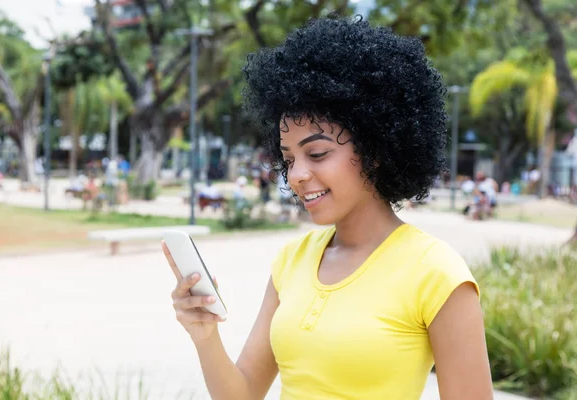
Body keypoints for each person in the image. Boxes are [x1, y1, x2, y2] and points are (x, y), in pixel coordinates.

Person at [163, 15, 493, 400]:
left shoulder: (436, 273)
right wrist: (205, 335)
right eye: (288, 159)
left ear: (375, 151)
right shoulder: (292, 261)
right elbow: (244, 394)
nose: (297, 175)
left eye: (317, 153)